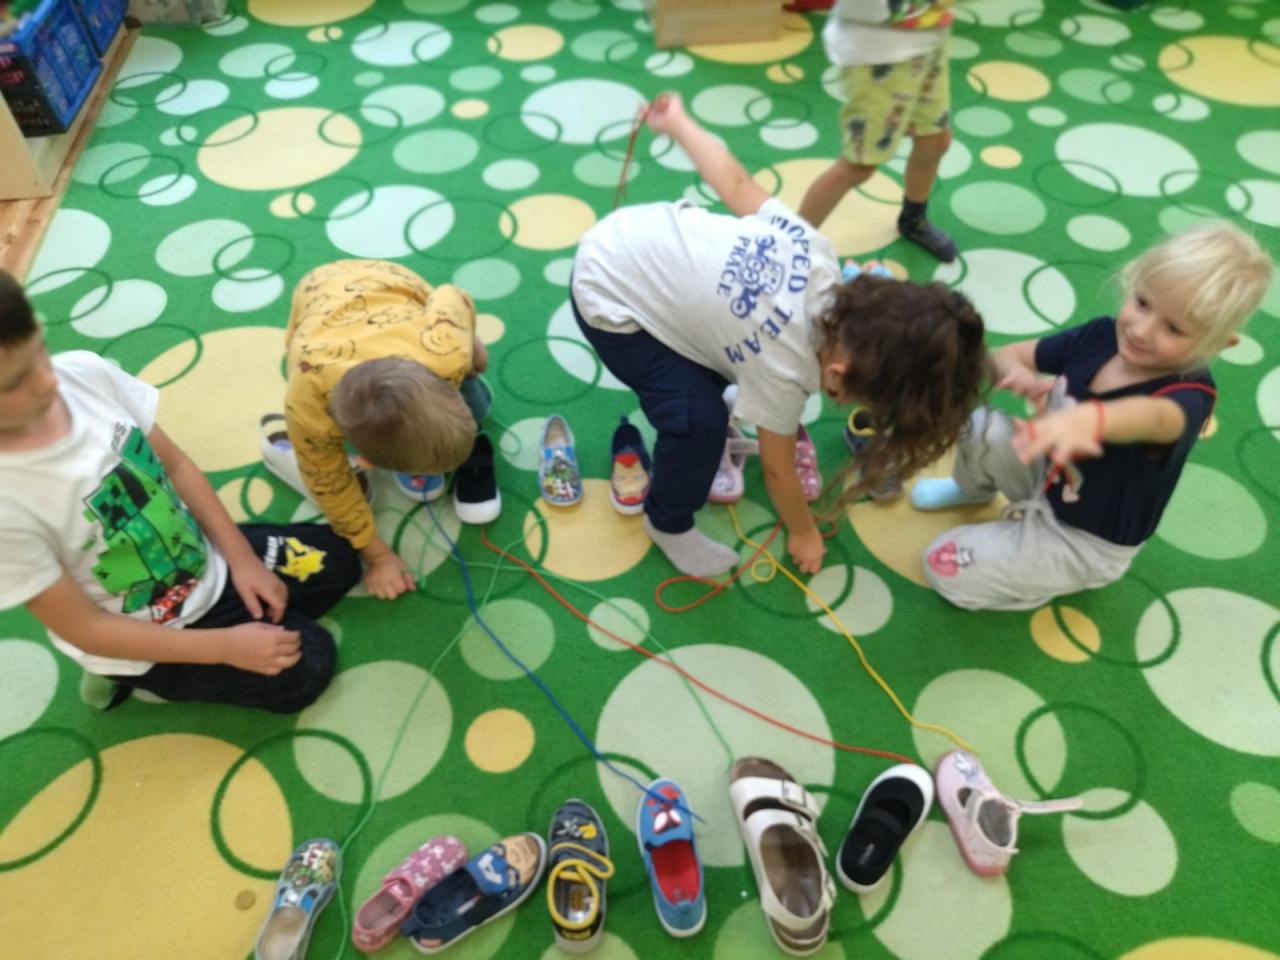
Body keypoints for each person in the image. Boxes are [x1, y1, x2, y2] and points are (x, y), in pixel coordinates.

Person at [571, 92, 987, 577]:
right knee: (699, 421)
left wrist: (680, 124)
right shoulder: (783, 370)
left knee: (725, 364)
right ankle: (667, 521)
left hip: (636, 234)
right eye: (859, 399)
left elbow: (736, 183)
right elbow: (778, 470)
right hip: (611, 302)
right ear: (837, 374)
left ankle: (712, 399)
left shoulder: (817, 252)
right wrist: (804, 531)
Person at [0, 271, 360, 712]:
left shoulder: (85, 375)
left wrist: (242, 559)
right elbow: (86, 628)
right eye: (13, 382)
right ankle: (119, 673)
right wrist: (225, 647)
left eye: (40, 350)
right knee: (308, 666)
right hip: (153, 635)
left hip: (205, 558)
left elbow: (176, 465)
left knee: (342, 561)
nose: (47, 382)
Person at [911, 223, 1274, 610]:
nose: (1141, 330)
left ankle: (1042, 577)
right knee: (981, 426)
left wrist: (1092, 421)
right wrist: (1014, 372)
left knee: (941, 562)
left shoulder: (1187, 397)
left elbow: (1154, 417)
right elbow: (1004, 357)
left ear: (1217, 344)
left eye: (1174, 328)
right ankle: (973, 492)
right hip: (1047, 480)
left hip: (1086, 542)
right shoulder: (1101, 336)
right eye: (1142, 302)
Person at [281, 259, 491, 601]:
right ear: (366, 461)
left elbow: (453, 295)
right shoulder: (308, 410)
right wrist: (377, 556)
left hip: (393, 281)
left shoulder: (448, 348)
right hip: (317, 293)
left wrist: (474, 353)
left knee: (478, 397)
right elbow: (330, 485)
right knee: (325, 474)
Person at [798, 0, 958, 262]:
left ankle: (913, 220)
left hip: (930, 40)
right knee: (859, 164)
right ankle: (791, 243)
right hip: (878, 53)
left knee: (935, 140)